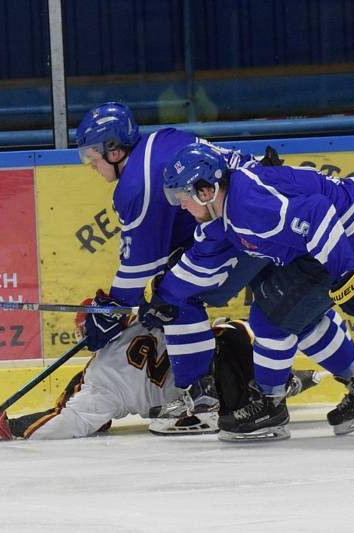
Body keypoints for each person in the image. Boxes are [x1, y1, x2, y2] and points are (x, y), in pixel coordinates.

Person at [140, 142, 354, 441]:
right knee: (293, 311)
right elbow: (204, 258)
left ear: (206, 191)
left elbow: (318, 214)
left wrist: (348, 282)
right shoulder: (224, 211)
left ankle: (269, 406)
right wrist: (163, 294)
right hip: (348, 231)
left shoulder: (249, 208)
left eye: (183, 197)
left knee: (270, 318)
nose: (181, 206)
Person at [74, 102, 276, 420]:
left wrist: (113, 308)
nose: (90, 164)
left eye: (92, 155)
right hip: (264, 206)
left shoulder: (135, 184)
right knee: (287, 297)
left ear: (114, 150)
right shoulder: (160, 142)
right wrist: (124, 304)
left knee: (172, 293)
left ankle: (201, 401)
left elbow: (140, 264)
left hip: (241, 217)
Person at [0, 318, 322, 441]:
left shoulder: (98, 383)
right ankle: (277, 384)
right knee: (234, 329)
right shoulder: (144, 316)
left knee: (232, 333)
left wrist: (6, 427)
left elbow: (69, 422)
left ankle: (268, 388)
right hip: (209, 376)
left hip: (195, 393)